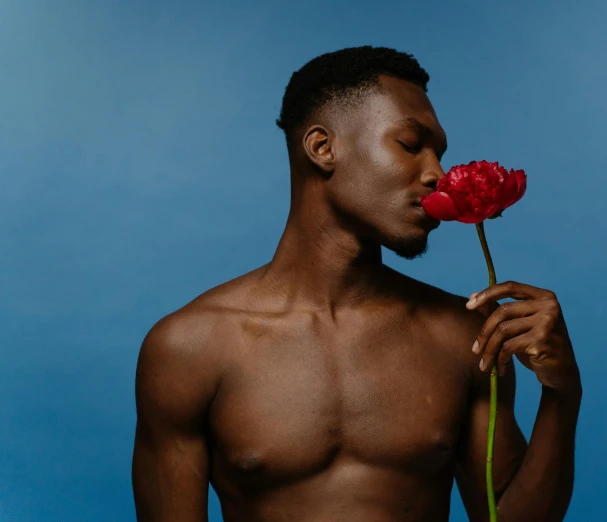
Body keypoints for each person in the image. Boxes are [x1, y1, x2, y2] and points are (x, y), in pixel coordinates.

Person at [131, 45, 582, 522]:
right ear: (323, 148)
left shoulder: (463, 336)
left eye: (439, 154)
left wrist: (561, 394)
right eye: (410, 145)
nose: (439, 176)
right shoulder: (190, 348)